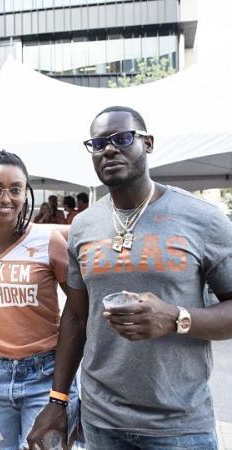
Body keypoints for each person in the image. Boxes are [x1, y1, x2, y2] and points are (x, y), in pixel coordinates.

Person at [27, 105, 232, 450]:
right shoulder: (84, 226)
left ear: (148, 144)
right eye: (98, 143)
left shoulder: (202, 219)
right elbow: (76, 318)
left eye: (123, 138)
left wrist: (177, 318)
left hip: (179, 426)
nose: (109, 149)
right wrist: (58, 400)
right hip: (101, 422)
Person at [0, 150, 79, 450]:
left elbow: (80, 309)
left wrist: (63, 390)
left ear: (25, 193)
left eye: (15, 189)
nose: (6, 198)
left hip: (45, 375)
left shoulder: (48, 240)